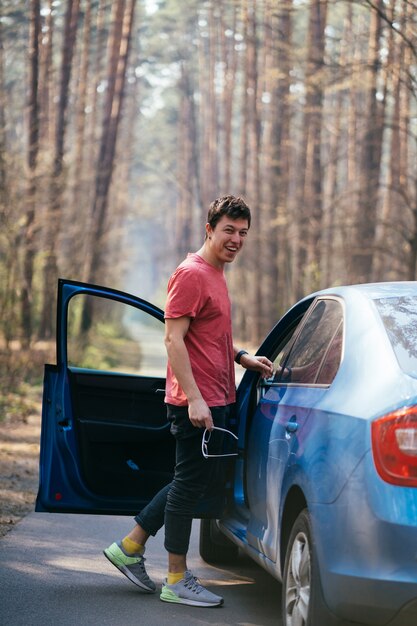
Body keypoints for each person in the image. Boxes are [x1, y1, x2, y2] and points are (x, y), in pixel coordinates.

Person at [103, 195, 273, 607]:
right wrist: (195, 399)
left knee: (188, 480)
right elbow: (173, 338)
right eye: (229, 230)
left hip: (215, 396)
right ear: (209, 229)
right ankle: (175, 578)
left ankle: (129, 547)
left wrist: (242, 358)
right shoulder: (193, 273)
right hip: (197, 401)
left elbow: (207, 335)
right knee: (187, 484)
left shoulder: (216, 272)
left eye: (243, 233)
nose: (236, 239)